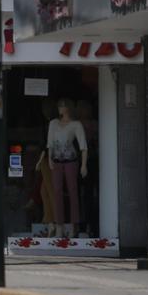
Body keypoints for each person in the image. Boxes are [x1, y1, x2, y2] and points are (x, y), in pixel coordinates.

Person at [41, 98, 87, 238]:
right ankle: (59, 226)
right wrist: (49, 159)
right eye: (59, 105)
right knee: (57, 192)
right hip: (56, 161)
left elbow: (83, 146)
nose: (60, 108)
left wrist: (84, 165)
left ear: (68, 108)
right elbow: (49, 144)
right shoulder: (53, 123)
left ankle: (74, 225)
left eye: (63, 105)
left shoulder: (76, 125)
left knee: (73, 191)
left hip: (71, 161)